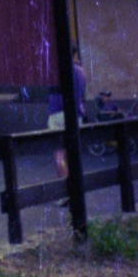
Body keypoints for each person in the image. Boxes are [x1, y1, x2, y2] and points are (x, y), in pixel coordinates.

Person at [50, 46, 87, 181]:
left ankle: (66, 186)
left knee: (59, 154)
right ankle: (74, 184)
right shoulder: (81, 72)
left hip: (58, 113)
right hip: (76, 114)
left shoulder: (58, 70)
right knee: (72, 153)